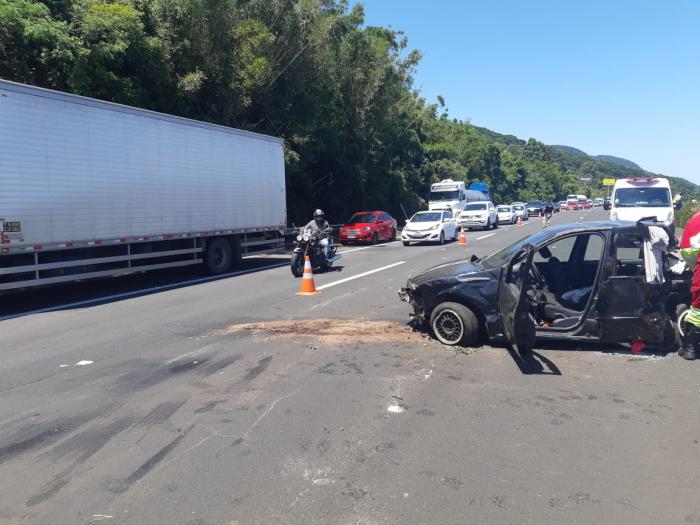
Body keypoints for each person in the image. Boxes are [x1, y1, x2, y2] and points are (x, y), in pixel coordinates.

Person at [678, 210, 700, 360]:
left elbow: (687, 251)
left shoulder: (696, 220)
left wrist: (693, 267)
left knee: (697, 312)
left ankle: (689, 349)